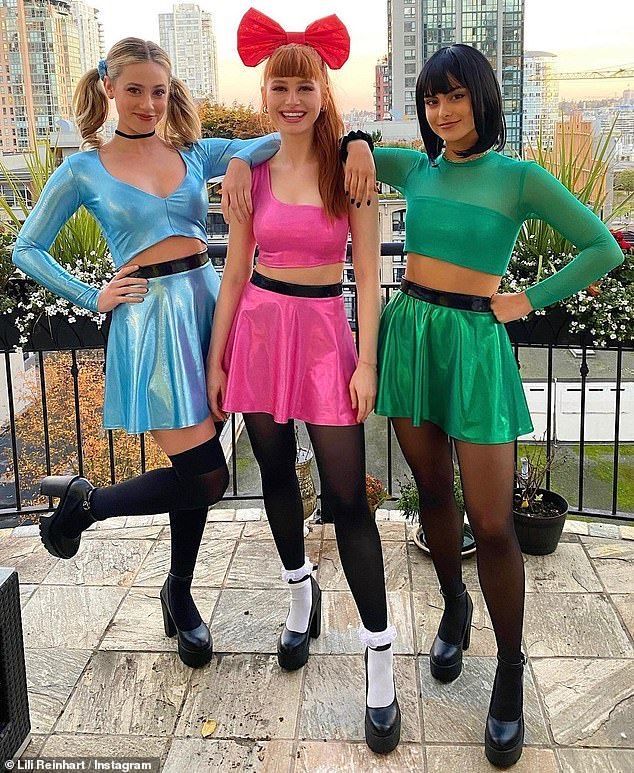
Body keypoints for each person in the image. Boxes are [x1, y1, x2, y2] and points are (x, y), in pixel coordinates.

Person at [342, 43, 623, 767]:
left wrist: (526, 299)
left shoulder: (519, 176)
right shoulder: (420, 168)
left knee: (495, 523)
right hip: (412, 334)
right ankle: (453, 604)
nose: (443, 112)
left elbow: (601, 247)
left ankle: (507, 669)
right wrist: (359, 141)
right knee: (433, 489)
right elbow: (356, 148)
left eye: (454, 97)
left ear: (482, 98)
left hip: (474, 343)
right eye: (432, 100)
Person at [13, 37, 280, 669]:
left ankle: (179, 595)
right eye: (135, 89)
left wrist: (238, 159)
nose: (147, 103)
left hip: (207, 310)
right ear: (108, 87)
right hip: (150, 326)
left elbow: (267, 143)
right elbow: (28, 248)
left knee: (197, 473)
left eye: (158, 91)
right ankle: (88, 504)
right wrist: (92, 295)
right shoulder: (82, 169)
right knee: (208, 476)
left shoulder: (191, 150)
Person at [207, 8, 400, 754]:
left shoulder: (350, 166)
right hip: (258, 329)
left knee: (350, 500)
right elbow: (231, 274)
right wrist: (218, 358)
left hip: (324, 337)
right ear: (265, 96)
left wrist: (368, 360)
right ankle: (298, 595)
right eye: (279, 86)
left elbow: (370, 279)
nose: (292, 99)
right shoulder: (249, 169)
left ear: (324, 92)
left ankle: (379, 659)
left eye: (304, 86)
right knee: (276, 476)